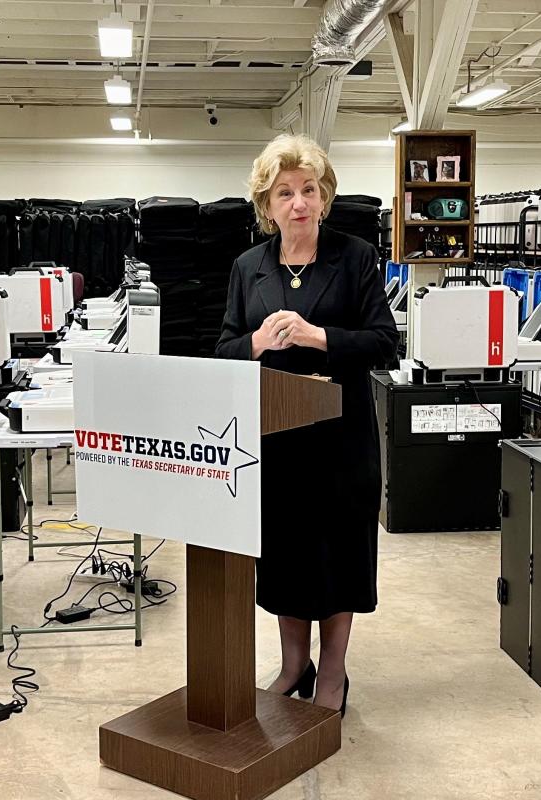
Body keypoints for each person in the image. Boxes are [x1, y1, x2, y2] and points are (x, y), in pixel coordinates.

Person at [216, 134, 397, 716]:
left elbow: (383, 343)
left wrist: (319, 337)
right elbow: (221, 347)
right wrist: (256, 343)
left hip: (342, 441)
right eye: (284, 192)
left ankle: (334, 674)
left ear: (324, 197)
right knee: (287, 556)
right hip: (276, 442)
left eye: (309, 190)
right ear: (266, 206)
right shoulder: (249, 267)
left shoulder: (356, 256)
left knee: (339, 554)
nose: (298, 202)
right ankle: (295, 665)